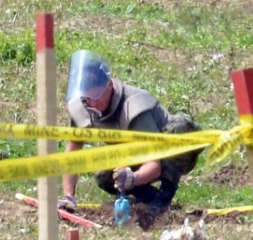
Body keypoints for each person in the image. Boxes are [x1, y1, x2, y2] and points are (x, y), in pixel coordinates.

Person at [59, 50, 201, 213]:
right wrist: (69, 197)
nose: (92, 104)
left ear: (109, 86)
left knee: (180, 128)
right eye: (86, 98)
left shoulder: (134, 109)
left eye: (96, 96)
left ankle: (165, 196)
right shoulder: (83, 106)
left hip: (172, 153)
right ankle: (148, 197)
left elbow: (154, 164)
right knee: (105, 177)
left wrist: (133, 178)